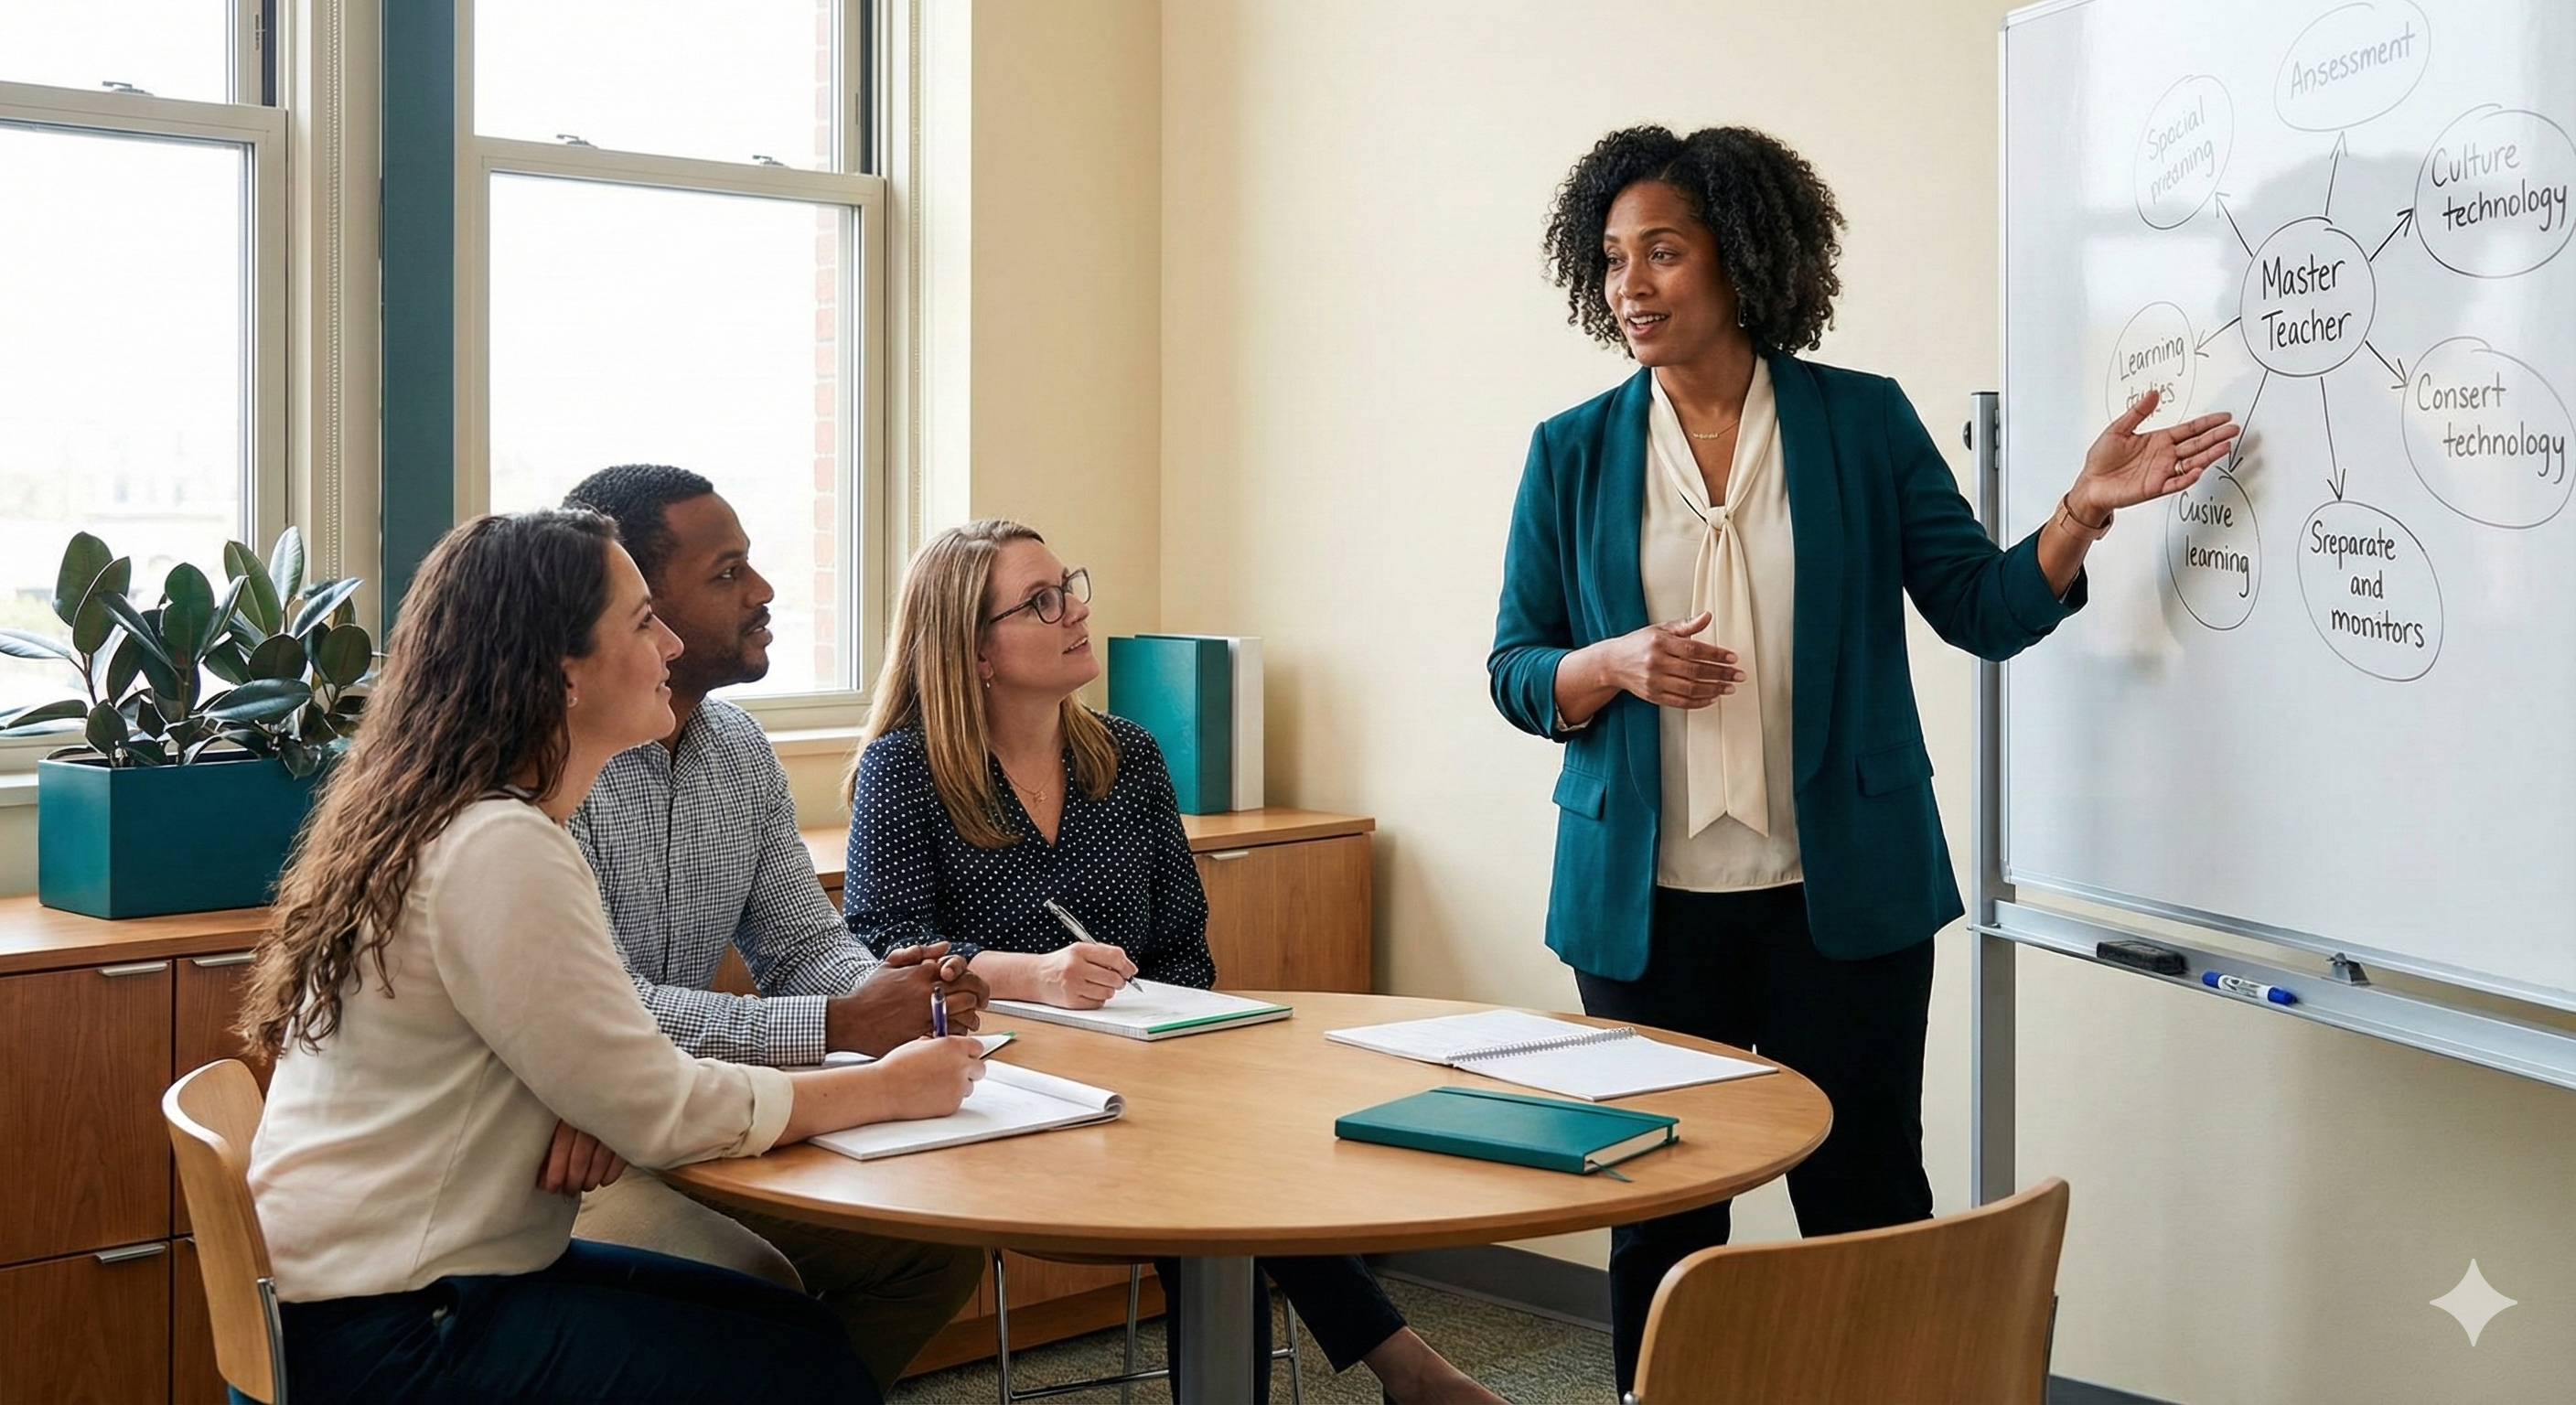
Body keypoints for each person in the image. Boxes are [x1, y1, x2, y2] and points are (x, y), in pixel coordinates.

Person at [1489, 125, 2238, 1393]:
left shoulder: (1858, 422)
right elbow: (1517, 666)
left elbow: (1981, 607)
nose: (1632, 285)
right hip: (1641, 909)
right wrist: (1608, 666)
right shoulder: (1571, 451)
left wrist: (2079, 512)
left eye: (1663, 251)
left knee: (1867, 1199)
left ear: (1744, 257)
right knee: (1661, 1215)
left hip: (1842, 899)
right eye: (1613, 259)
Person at [238, 509, 987, 1404]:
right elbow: (660, 1111)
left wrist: (600, 1094)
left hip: (399, 1286)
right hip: (398, 1324)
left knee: (799, 1333)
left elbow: (613, 1063)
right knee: (807, 1372)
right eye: (641, 620)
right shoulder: (497, 846)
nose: (670, 642)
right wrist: (892, 1085)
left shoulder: (467, 820)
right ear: (563, 675)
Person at [843, 520, 1508, 1405]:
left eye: (1069, 585)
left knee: (1230, 1157)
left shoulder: (1127, 755)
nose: (1074, 610)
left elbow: (1182, 944)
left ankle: (1395, 1373)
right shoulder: (906, 772)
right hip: (992, 1083)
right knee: (1212, 1177)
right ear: (974, 654)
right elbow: (883, 943)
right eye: (1038, 602)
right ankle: (1409, 1370)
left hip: (1147, 1066)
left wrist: (1192, 1045)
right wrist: (1026, 974)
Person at [555, 464, 991, 1390]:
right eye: (726, 574)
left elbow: (799, 944)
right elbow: (605, 1012)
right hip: (575, 1144)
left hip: (691, 1114)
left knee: (933, 1251)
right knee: (755, 1287)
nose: (762, 593)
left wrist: (895, 990)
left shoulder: (741, 750)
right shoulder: (559, 768)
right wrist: (840, 1028)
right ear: (634, 605)